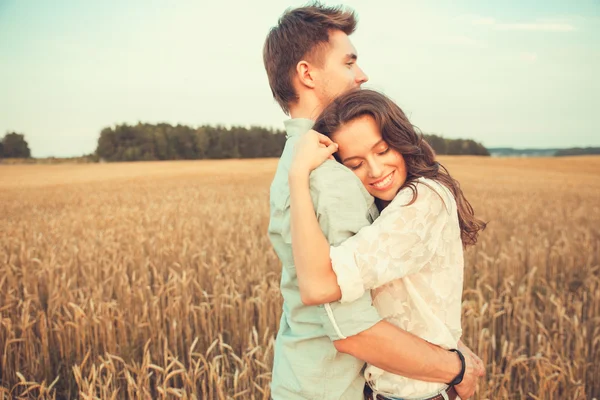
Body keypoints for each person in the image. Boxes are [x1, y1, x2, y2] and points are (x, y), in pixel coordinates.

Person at [264, 4, 485, 400]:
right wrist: (456, 367)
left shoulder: (301, 158)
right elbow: (350, 327)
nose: (361, 75)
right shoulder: (327, 175)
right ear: (307, 73)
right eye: (349, 62)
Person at [287, 89, 487, 400]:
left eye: (382, 150)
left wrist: (297, 175)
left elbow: (317, 287)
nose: (376, 171)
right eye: (355, 164)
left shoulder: (423, 199)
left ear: (402, 140)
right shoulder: (391, 207)